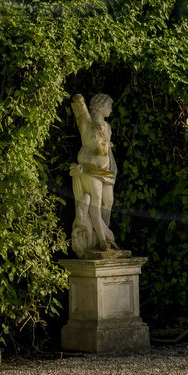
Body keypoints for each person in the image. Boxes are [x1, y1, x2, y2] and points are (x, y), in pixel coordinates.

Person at [69, 92, 119, 256]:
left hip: (105, 170)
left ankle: (102, 236)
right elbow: (78, 100)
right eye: (109, 106)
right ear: (100, 106)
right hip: (89, 168)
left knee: (108, 201)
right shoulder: (87, 122)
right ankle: (104, 241)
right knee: (96, 202)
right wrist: (79, 100)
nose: (111, 110)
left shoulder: (108, 127)